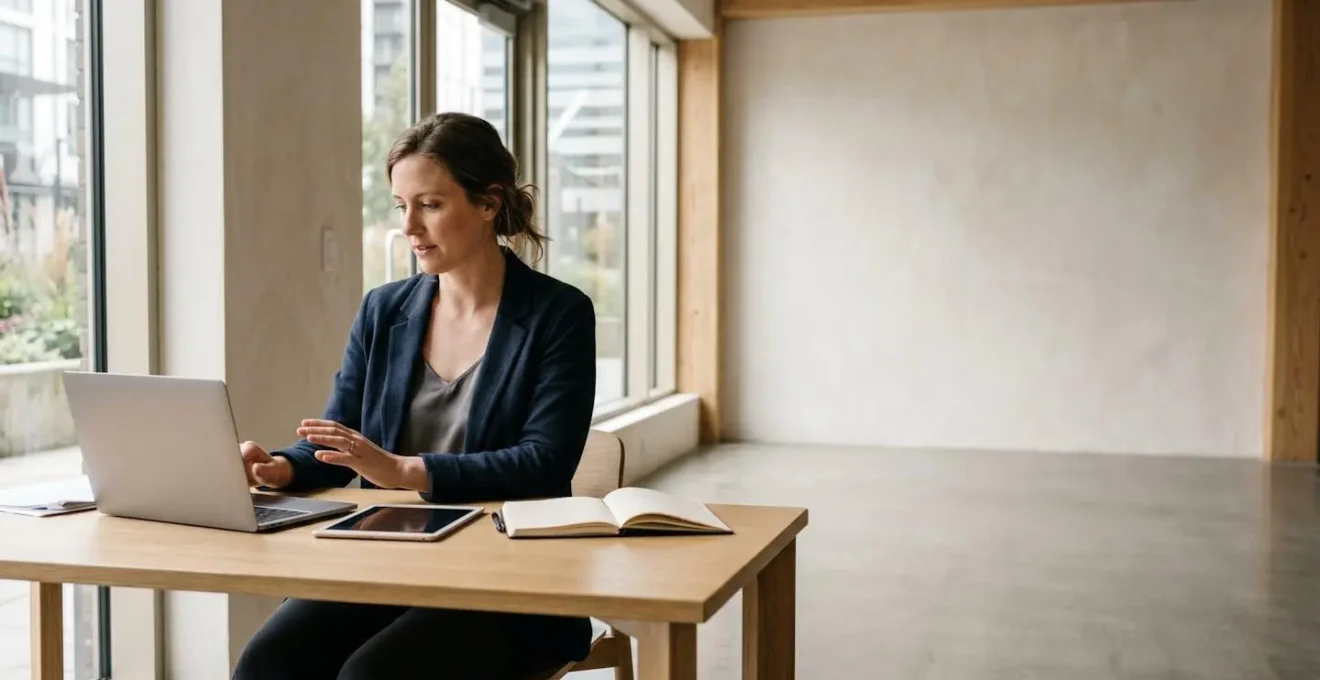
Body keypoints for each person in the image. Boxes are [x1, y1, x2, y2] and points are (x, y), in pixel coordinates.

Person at [231, 112, 596, 680]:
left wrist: (406, 470)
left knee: (372, 675)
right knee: (268, 662)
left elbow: (544, 462)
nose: (410, 226)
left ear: (488, 203)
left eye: (430, 204)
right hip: (389, 559)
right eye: (402, 206)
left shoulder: (558, 314)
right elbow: (340, 439)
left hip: (512, 579)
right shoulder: (385, 309)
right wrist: (279, 469)